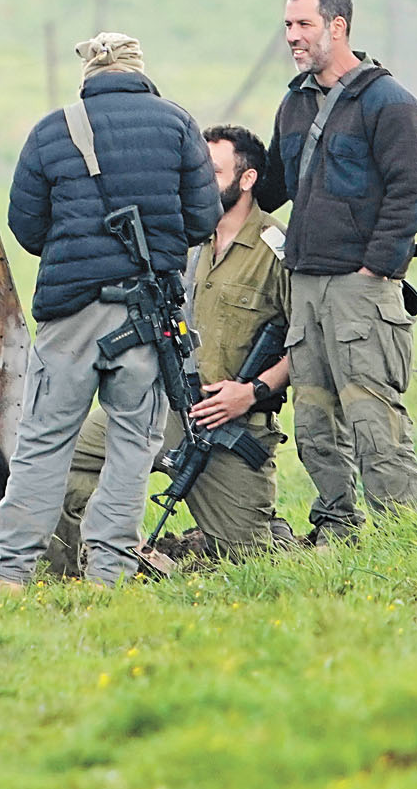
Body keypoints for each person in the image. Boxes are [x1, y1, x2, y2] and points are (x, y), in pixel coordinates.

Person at [0, 33, 220, 589]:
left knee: (43, 442)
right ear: (140, 71)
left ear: (89, 75)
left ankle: (11, 575)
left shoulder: (50, 131)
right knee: (133, 445)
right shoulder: (178, 126)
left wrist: (77, 246)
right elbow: (202, 220)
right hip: (146, 317)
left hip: (70, 314)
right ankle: (107, 574)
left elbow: (27, 228)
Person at [50, 124, 291, 571]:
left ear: (247, 179)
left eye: (214, 171)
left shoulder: (275, 250)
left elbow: (308, 340)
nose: (200, 181)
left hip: (233, 428)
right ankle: (99, 562)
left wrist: (252, 392)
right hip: (166, 409)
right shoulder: (185, 243)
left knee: (246, 559)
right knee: (61, 458)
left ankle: (275, 536)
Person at [264, 0, 417, 538]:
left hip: (361, 288)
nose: (292, 37)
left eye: (303, 24)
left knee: (373, 417)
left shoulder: (389, 103)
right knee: (313, 421)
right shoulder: (294, 101)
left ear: (338, 26)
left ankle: (401, 535)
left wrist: (376, 266)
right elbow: (272, 185)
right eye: (287, 25)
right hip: (306, 284)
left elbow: (410, 192)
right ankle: (336, 528)